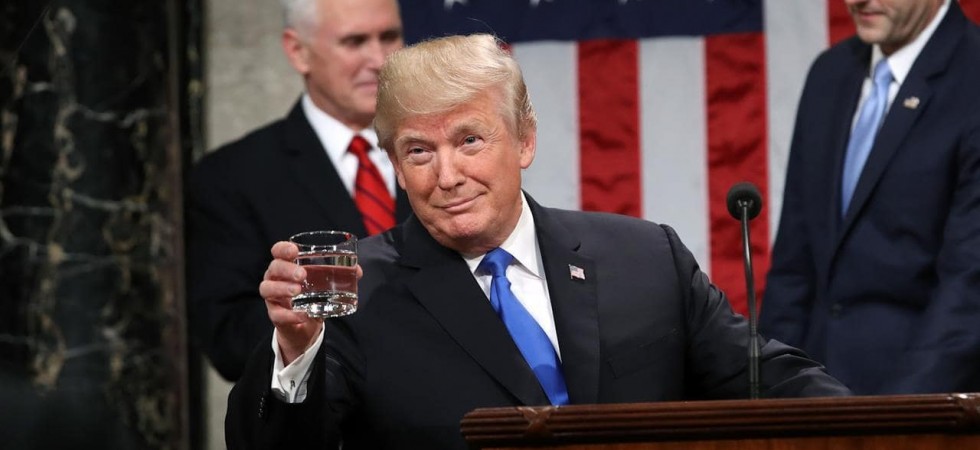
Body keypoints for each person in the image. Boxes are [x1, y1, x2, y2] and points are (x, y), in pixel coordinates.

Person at [225, 34, 851, 449]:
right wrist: (296, 351)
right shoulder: (356, 292)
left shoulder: (644, 259)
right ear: (394, 164)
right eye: (418, 151)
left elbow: (771, 382)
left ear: (524, 140)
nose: (447, 175)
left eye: (470, 140)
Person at [761, 0, 980, 395]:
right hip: (812, 402)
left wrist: (897, 416)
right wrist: (771, 397)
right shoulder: (829, 74)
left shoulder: (973, 76)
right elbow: (794, 268)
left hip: (921, 402)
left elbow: (968, 292)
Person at [185, 0, 412, 381]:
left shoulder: (448, 152)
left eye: (389, 37)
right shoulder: (233, 175)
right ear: (298, 51)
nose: (379, 60)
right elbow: (229, 338)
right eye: (354, 42)